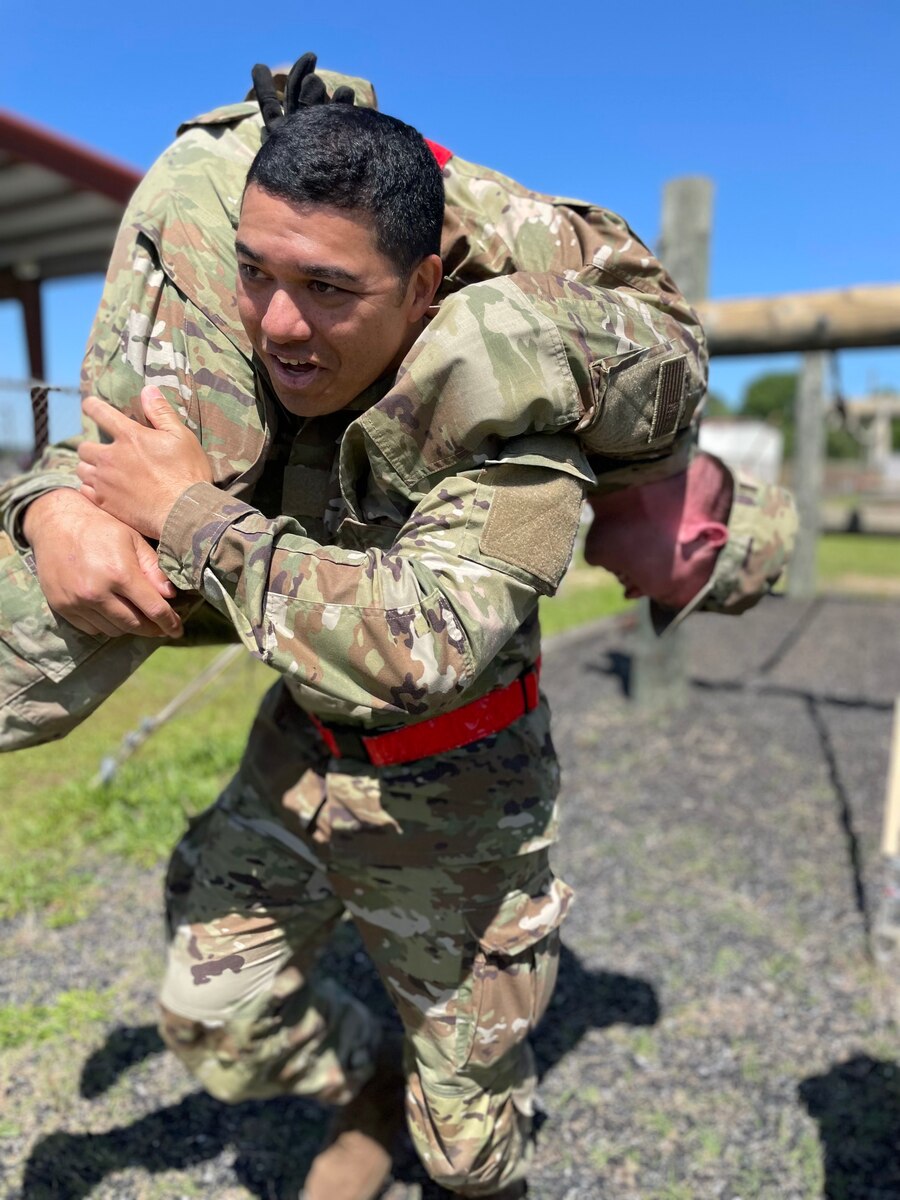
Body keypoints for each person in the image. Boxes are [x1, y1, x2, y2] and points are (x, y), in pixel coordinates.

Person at [0, 56, 716, 752]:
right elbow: (109, 462)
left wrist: (188, 514)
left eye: (328, 288)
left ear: (421, 290)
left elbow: (418, 648)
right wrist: (50, 508)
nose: (279, 324)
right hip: (297, 766)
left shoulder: (520, 394)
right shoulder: (230, 243)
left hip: (454, 827)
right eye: (252, 272)